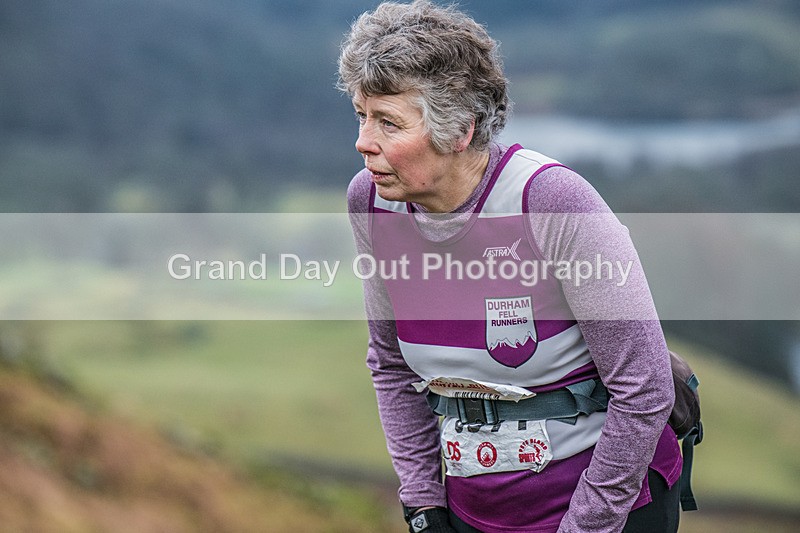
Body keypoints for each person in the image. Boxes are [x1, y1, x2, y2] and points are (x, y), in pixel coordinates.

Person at [338, 2, 682, 532]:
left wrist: (586, 526)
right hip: (473, 511)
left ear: (459, 131)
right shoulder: (371, 203)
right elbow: (390, 365)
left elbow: (644, 386)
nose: (363, 141)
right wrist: (424, 505)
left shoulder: (552, 201)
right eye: (362, 115)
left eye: (388, 122)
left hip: (610, 510)